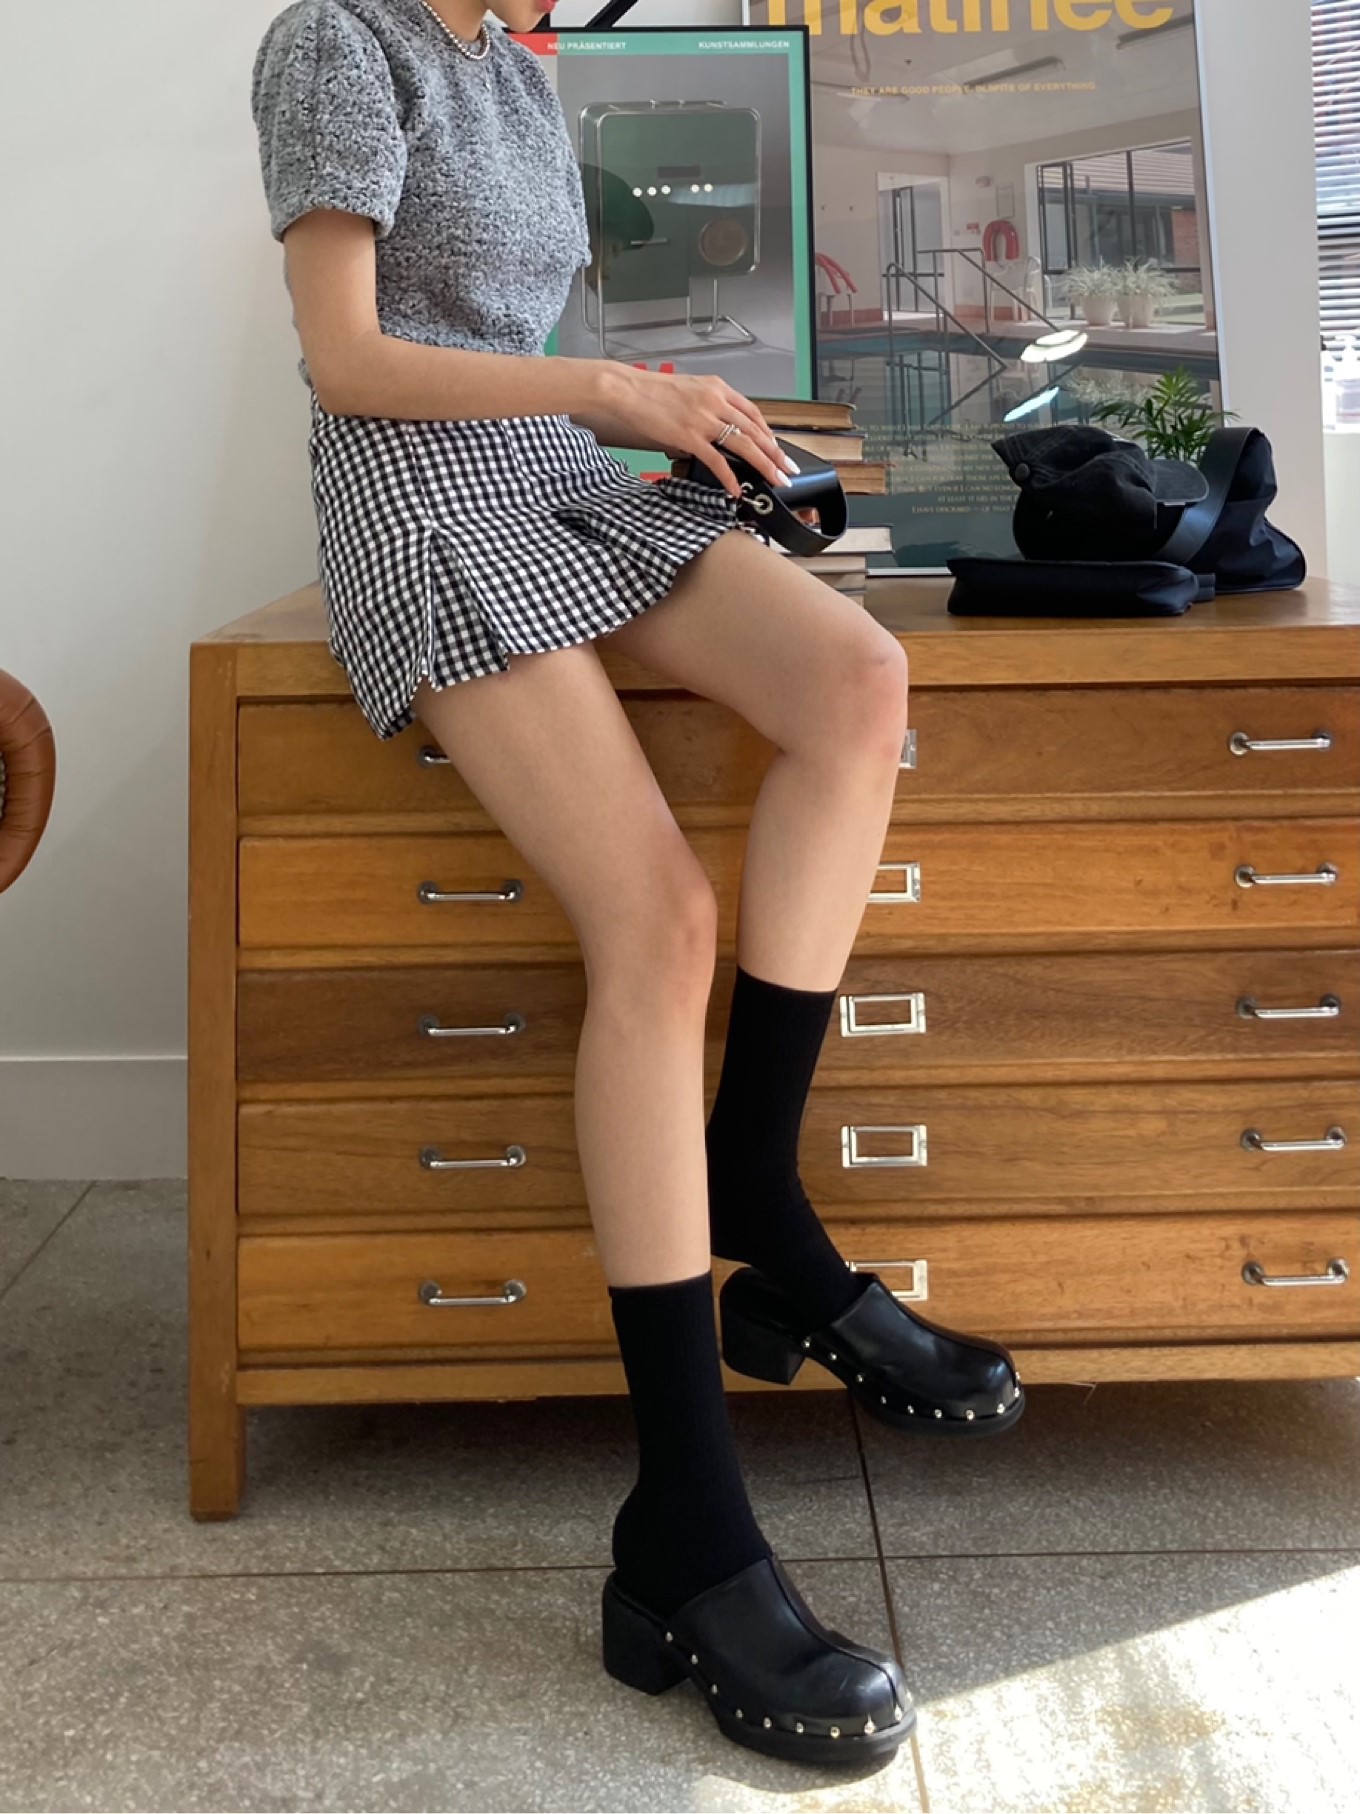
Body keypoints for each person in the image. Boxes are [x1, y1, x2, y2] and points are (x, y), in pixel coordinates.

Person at [250, 0, 1024, 1769]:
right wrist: (612, 387)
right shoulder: (338, 41)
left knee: (859, 683)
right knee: (659, 921)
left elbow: (516, 335)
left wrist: (669, 428)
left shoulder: (521, 72)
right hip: (419, 502)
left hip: (559, 478)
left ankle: (755, 1176)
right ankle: (683, 1521)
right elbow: (349, 360)